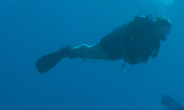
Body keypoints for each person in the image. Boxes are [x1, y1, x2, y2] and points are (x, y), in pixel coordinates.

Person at [35, 15, 171, 73]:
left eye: (167, 31)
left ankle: (72, 53)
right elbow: (124, 32)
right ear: (159, 25)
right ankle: (66, 52)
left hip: (122, 53)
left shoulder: (156, 41)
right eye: (165, 29)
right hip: (115, 41)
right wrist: (124, 50)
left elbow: (145, 56)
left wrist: (133, 59)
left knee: (93, 57)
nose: (165, 33)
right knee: (90, 50)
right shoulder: (144, 25)